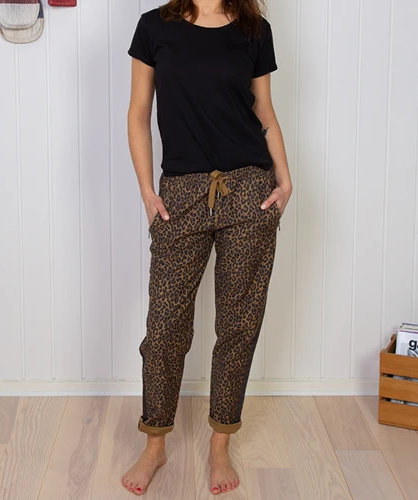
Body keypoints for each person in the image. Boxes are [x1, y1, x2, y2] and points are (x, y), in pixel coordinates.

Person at [123, 0, 292, 495]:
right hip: (180, 194)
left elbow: (264, 111)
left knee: (239, 324)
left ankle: (220, 445)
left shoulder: (254, 30)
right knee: (164, 327)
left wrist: (285, 178)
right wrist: (147, 192)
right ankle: (155, 444)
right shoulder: (153, 27)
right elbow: (138, 114)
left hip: (249, 190)